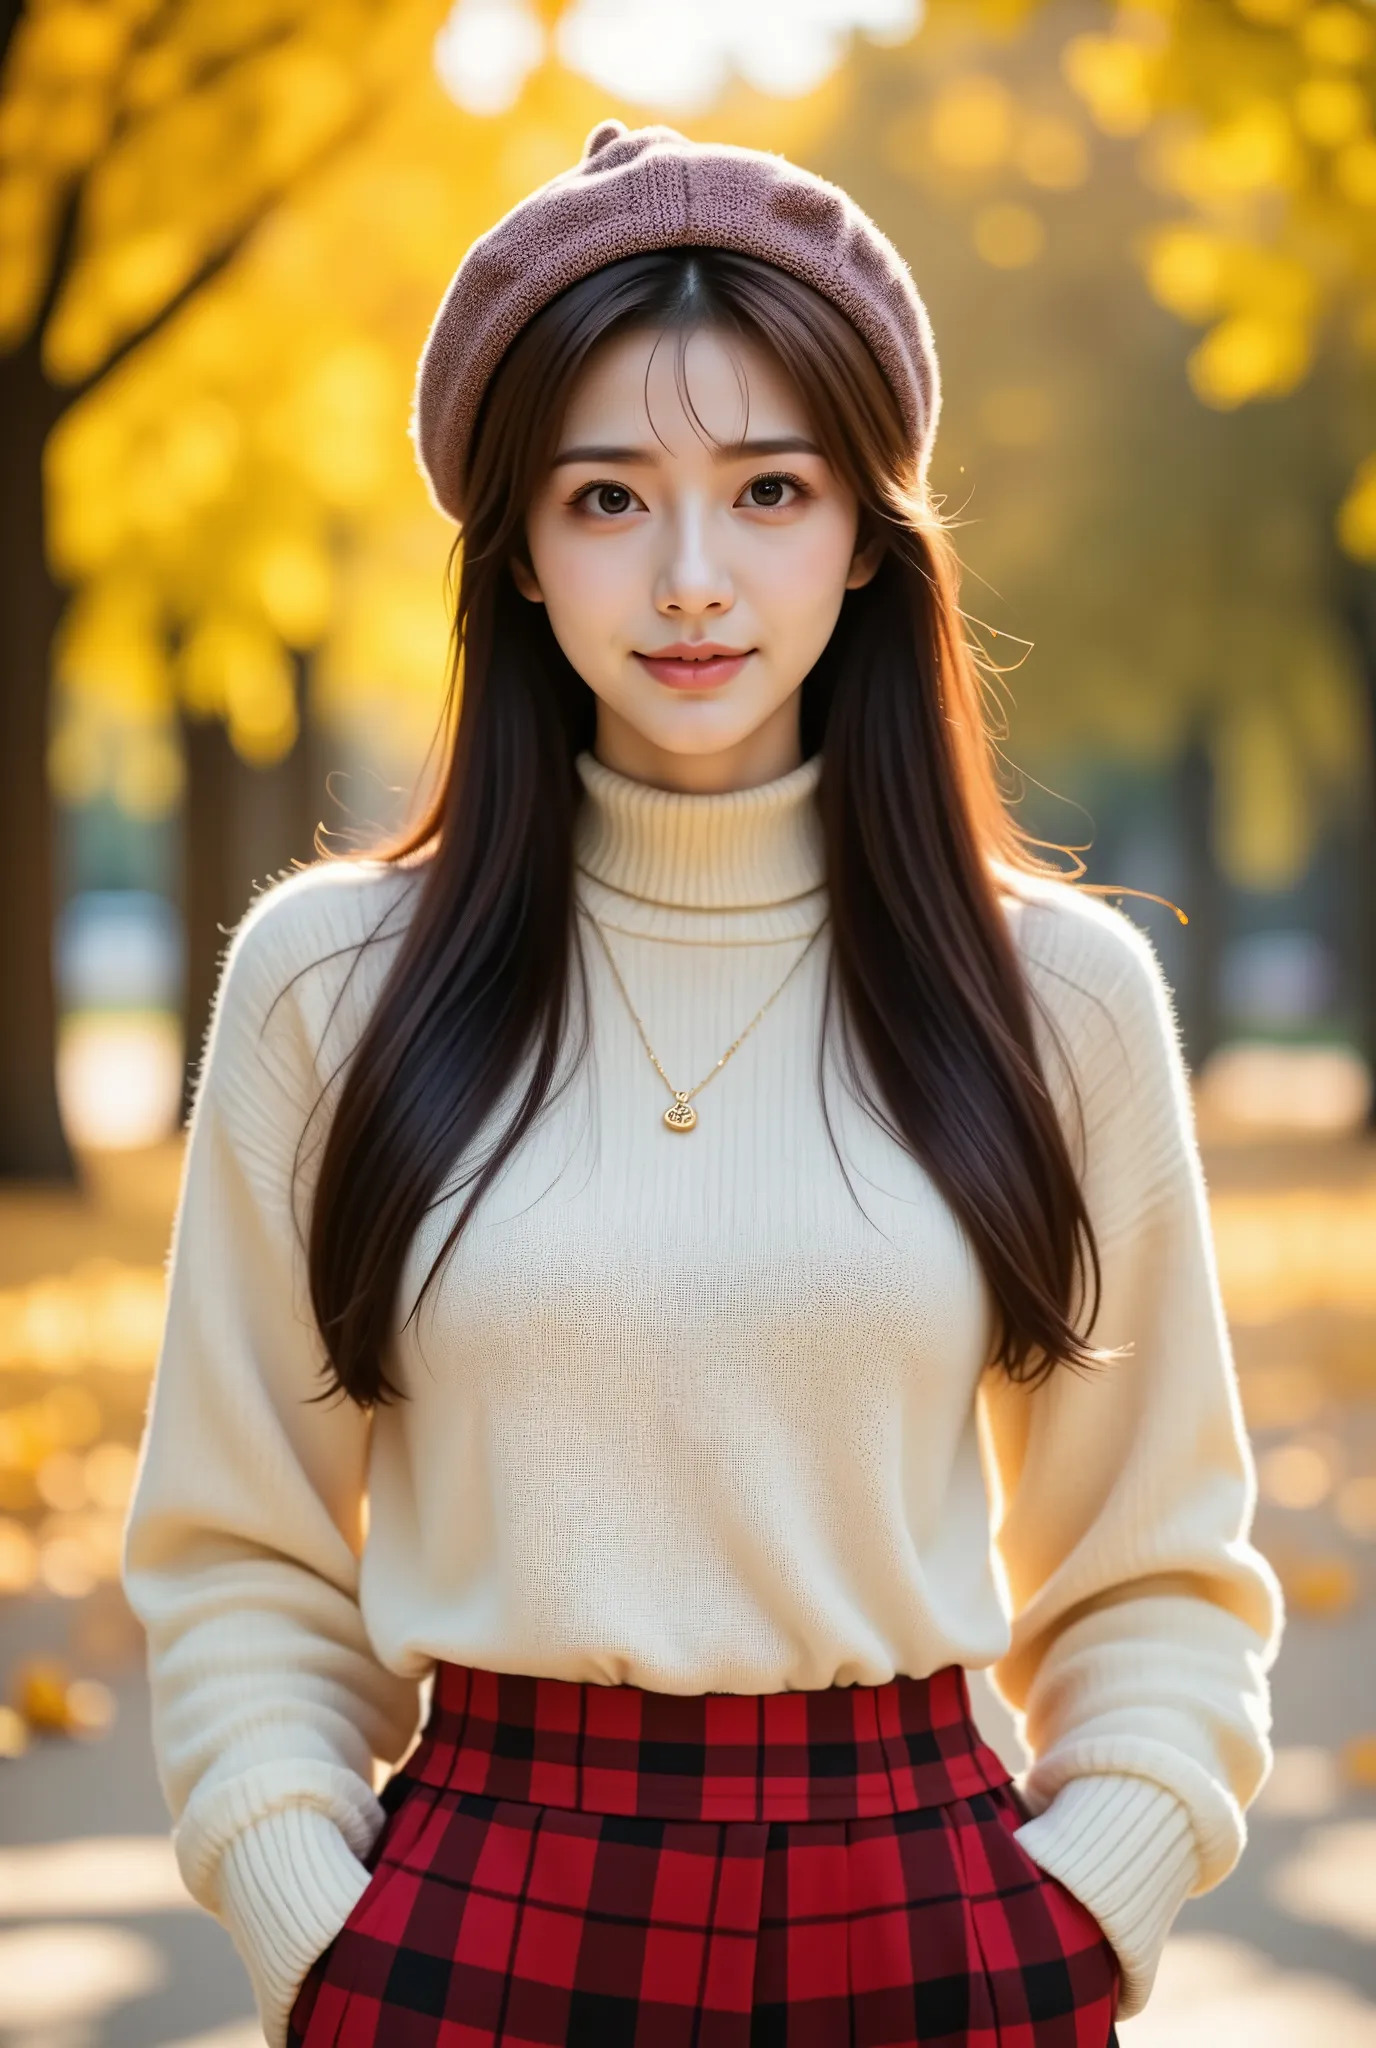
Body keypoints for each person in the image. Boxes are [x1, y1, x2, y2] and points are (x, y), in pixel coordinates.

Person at [122, 120, 1283, 2048]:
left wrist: (1090, 1911)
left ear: (863, 532)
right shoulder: (328, 987)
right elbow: (243, 1548)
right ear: (513, 548)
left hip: (932, 1932)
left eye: (767, 488)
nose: (690, 579)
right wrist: (311, 1928)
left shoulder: (1052, 996)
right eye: (604, 498)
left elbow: (1154, 1561)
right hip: (467, 1930)